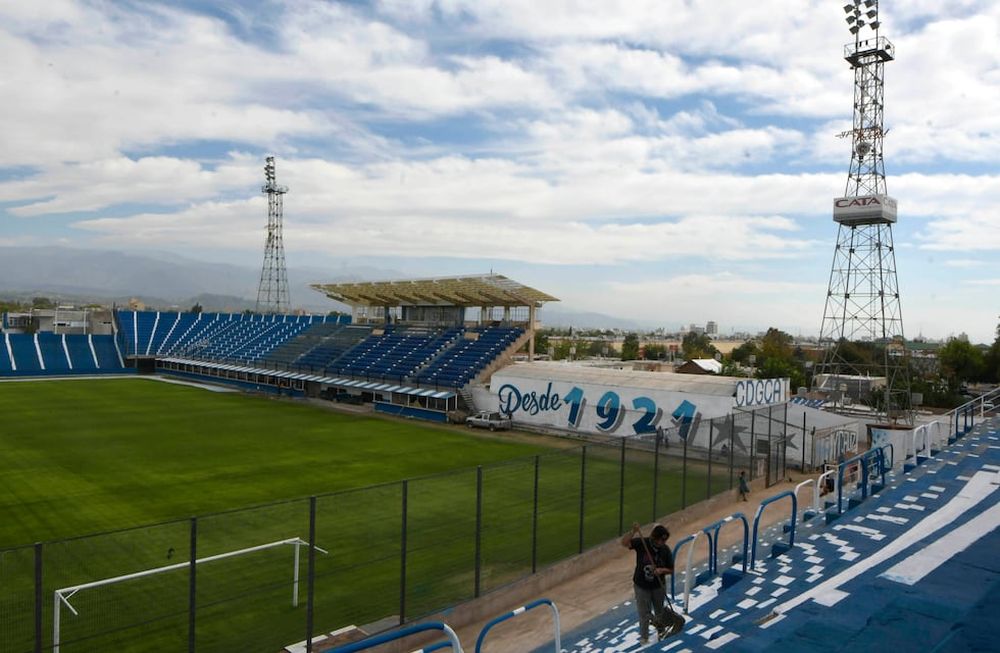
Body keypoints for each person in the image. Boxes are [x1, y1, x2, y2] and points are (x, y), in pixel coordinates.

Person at [621, 522, 674, 645]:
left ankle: (661, 631)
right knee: (644, 614)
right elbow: (624, 543)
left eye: (664, 541)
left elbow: (671, 569)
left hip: (658, 586)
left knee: (659, 611)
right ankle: (644, 638)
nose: (662, 543)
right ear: (654, 538)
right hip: (641, 586)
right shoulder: (642, 543)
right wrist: (633, 531)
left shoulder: (665, 550)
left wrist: (661, 570)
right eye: (660, 540)